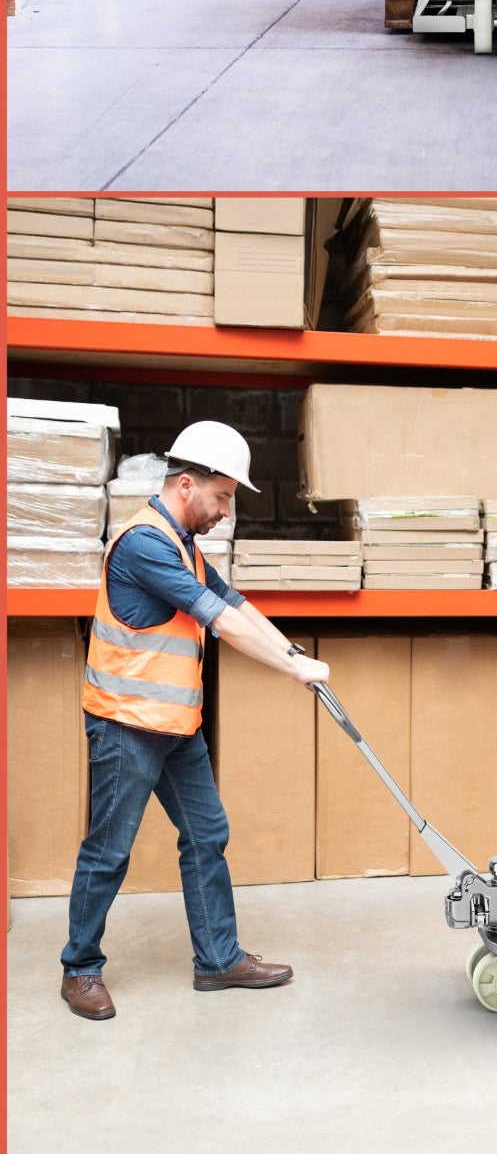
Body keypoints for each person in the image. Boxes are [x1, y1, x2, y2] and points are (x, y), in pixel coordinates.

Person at [61, 423, 331, 1021]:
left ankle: (217, 959)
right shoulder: (145, 544)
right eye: (224, 497)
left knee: (207, 835)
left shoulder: (184, 544)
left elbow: (238, 604)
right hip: (127, 725)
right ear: (188, 484)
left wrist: (294, 655)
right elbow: (221, 623)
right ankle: (80, 969)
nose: (227, 511)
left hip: (176, 727)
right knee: (108, 852)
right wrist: (293, 672)